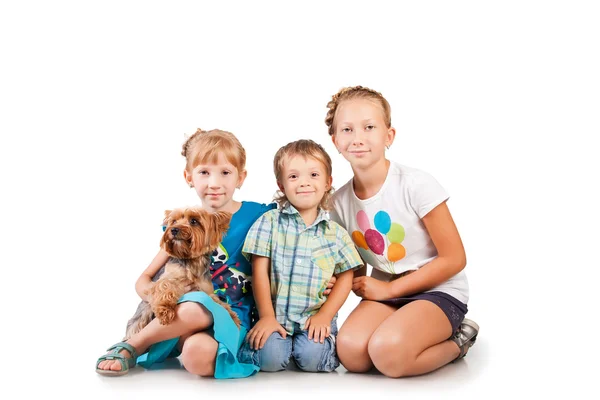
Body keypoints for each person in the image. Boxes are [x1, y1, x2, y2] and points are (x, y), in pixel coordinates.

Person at [95, 128, 277, 378]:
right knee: (193, 307)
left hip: (231, 318)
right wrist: (162, 297)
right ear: (189, 177)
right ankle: (133, 345)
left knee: (197, 357)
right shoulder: (179, 227)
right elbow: (144, 280)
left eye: (225, 173)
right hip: (182, 315)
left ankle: (156, 343)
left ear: (241, 177)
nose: (214, 183)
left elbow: (288, 239)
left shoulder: (258, 216)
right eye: (204, 172)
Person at [325, 86, 480, 378]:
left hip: (438, 290)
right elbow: (353, 265)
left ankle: (459, 341)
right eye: (347, 129)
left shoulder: (415, 184)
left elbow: (455, 258)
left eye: (369, 127)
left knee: (389, 355)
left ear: (388, 136)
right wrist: (336, 283)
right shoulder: (338, 202)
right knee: (351, 353)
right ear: (335, 141)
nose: (358, 138)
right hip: (386, 292)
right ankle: (402, 328)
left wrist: (390, 289)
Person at [238, 139, 363, 372]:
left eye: (313, 175)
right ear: (282, 185)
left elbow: (346, 275)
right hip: (276, 316)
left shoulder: (335, 233)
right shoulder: (269, 223)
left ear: (328, 183)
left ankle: (305, 348)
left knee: (313, 359)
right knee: (270, 359)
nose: (304, 183)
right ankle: (279, 346)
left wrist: (326, 315)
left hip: (311, 320)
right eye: (294, 176)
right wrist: (266, 316)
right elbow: (259, 272)